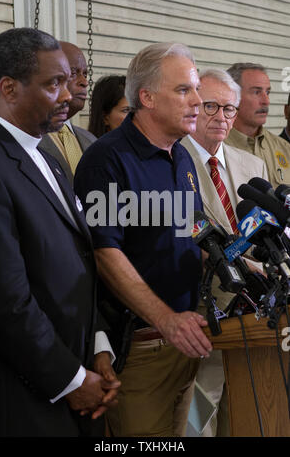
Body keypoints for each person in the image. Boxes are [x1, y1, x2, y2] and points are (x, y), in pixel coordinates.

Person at [74, 42, 213, 437]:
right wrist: (165, 319)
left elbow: (194, 228)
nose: (198, 101)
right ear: (147, 97)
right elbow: (104, 253)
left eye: (197, 89)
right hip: (142, 347)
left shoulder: (181, 155)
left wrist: (239, 260)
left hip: (186, 341)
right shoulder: (107, 160)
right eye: (184, 90)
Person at [0, 27, 120, 437]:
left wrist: (98, 345)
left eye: (69, 80)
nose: (69, 95)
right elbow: (8, 301)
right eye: (54, 84)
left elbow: (79, 258)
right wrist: (71, 379)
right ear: (8, 87)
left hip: (82, 371)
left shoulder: (47, 151)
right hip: (27, 394)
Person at [181, 68, 268, 437]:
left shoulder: (253, 165)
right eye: (211, 106)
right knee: (199, 413)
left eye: (229, 109)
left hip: (252, 311)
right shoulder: (174, 160)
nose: (221, 118)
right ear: (194, 107)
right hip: (202, 310)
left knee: (250, 410)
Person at [39, 41, 96, 186]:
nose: (84, 82)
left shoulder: (91, 140)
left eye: (85, 74)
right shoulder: (28, 139)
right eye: (73, 73)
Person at [225, 63, 290, 188]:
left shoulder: (285, 149)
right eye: (256, 92)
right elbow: (183, 203)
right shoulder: (213, 149)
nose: (266, 101)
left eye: (267, 92)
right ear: (232, 96)